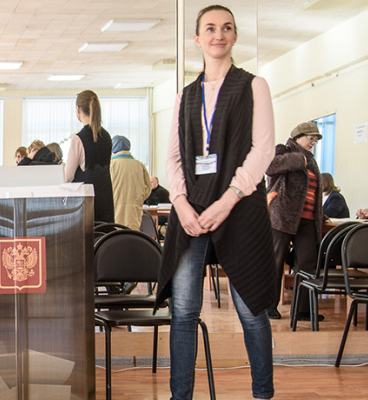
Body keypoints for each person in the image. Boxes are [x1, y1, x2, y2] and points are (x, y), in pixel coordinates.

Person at [156, 5, 276, 400]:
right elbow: (173, 159)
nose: (218, 35)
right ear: (197, 39)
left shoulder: (253, 86)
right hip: (190, 213)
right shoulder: (185, 96)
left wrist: (228, 201)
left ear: (235, 36)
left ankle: (262, 394)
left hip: (240, 211)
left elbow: (263, 150)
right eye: (209, 28)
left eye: (226, 28)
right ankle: (180, 396)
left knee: (251, 311)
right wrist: (180, 203)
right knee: (184, 313)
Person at [267, 122, 325, 322]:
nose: (313, 142)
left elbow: (313, 193)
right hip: (282, 215)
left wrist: (321, 214)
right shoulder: (283, 151)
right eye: (310, 138)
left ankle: (303, 309)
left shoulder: (311, 160)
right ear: (297, 137)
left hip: (308, 219)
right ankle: (268, 306)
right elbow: (269, 167)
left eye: (316, 140)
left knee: (307, 263)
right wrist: (299, 159)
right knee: (275, 260)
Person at [64, 90, 115, 224]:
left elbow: (68, 176)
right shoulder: (107, 136)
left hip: (86, 199)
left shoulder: (79, 139)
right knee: (104, 233)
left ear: (78, 110)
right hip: (105, 197)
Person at [109, 135, 151, 230]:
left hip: (114, 210)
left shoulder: (111, 165)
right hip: (134, 211)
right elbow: (147, 189)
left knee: (114, 235)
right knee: (131, 235)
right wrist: (137, 200)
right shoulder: (140, 165)